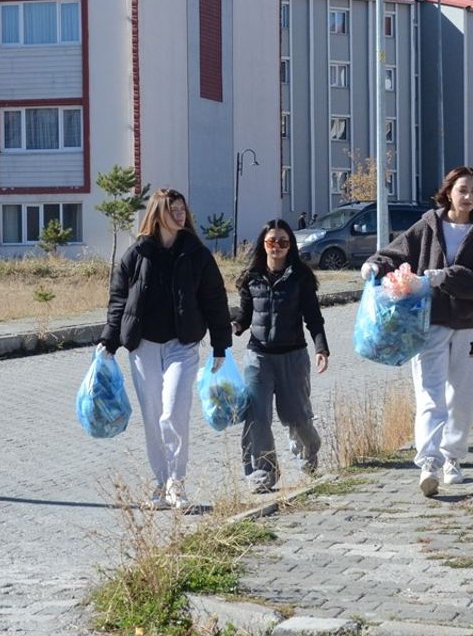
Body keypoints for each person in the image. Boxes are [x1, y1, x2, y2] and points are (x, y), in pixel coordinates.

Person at [361, 166, 473, 497]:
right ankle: (428, 464)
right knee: (429, 393)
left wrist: (447, 277)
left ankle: (453, 458)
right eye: (462, 190)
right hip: (431, 322)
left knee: (463, 396)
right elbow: (398, 251)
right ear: (449, 192)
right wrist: (375, 264)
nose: (468, 196)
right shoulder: (429, 224)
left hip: (472, 325)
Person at [100, 188, 232, 511]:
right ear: (158, 214)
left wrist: (220, 345)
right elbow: (118, 301)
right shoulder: (137, 254)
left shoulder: (196, 254)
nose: (180, 215)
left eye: (182, 210)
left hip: (182, 345)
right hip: (143, 346)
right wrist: (108, 342)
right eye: (173, 210)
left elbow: (215, 299)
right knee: (151, 416)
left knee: (173, 411)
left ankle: (177, 481)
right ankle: (160, 484)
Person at [232, 219, 329, 494]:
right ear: (263, 244)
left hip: (293, 356)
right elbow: (245, 315)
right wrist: (233, 328)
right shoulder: (251, 277)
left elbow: (313, 317)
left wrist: (321, 347)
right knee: (257, 416)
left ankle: (308, 452)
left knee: (297, 417)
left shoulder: (300, 277)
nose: (277, 247)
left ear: (291, 246)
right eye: (271, 242)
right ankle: (263, 471)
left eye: (283, 242)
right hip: (258, 357)